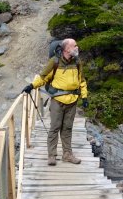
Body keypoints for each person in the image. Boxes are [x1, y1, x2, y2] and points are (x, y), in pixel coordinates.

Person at [22, 38, 88, 166]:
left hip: (72, 100)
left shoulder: (77, 62)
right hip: (57, 100)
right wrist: (31, 86)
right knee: (55, 127)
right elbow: (43, 78)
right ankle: (52, 155)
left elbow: (82, 81)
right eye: (74, 46)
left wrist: (84, 97)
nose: (77, 47)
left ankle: (67, 155)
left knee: (67, 128)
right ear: (67, 49)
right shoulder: (55, 62)